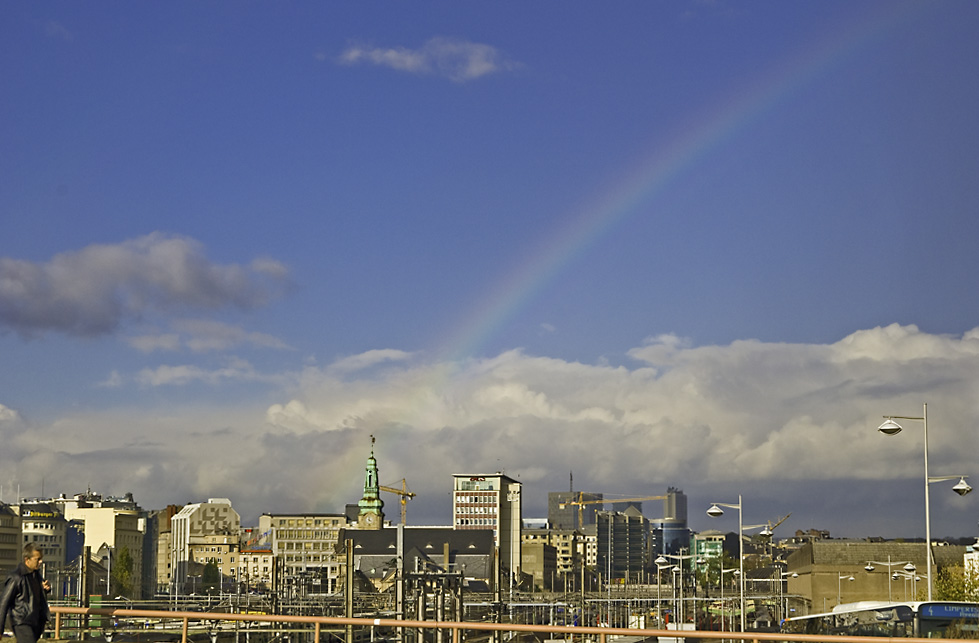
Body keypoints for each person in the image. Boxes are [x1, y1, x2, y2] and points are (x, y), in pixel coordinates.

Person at [0, 544, 51, 643]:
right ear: (27, 559)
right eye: (38, 559)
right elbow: (3, 604)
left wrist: (45, 589)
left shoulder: (36, 575)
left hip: (35, 621)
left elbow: (35, 595)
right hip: (21, 621)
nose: (40, 562)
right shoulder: (16, 577)